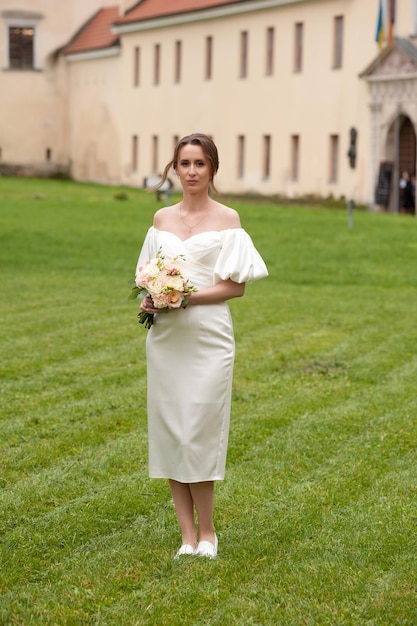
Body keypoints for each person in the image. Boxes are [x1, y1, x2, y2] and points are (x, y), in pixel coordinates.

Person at [135, 133, 268, 559]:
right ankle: (186, 537)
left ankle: (209, 533)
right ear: (174, 168)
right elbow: (147, 275)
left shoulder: (228, 220)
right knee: (174, 429)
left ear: (212, 169)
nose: (191, 172)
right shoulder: (160, 221)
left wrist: (183, 296)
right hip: (167, 339)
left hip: (209, 338)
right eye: (184, 164)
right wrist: (153, 298)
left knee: (199, 430)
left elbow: (236, 287)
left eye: (200, 164)